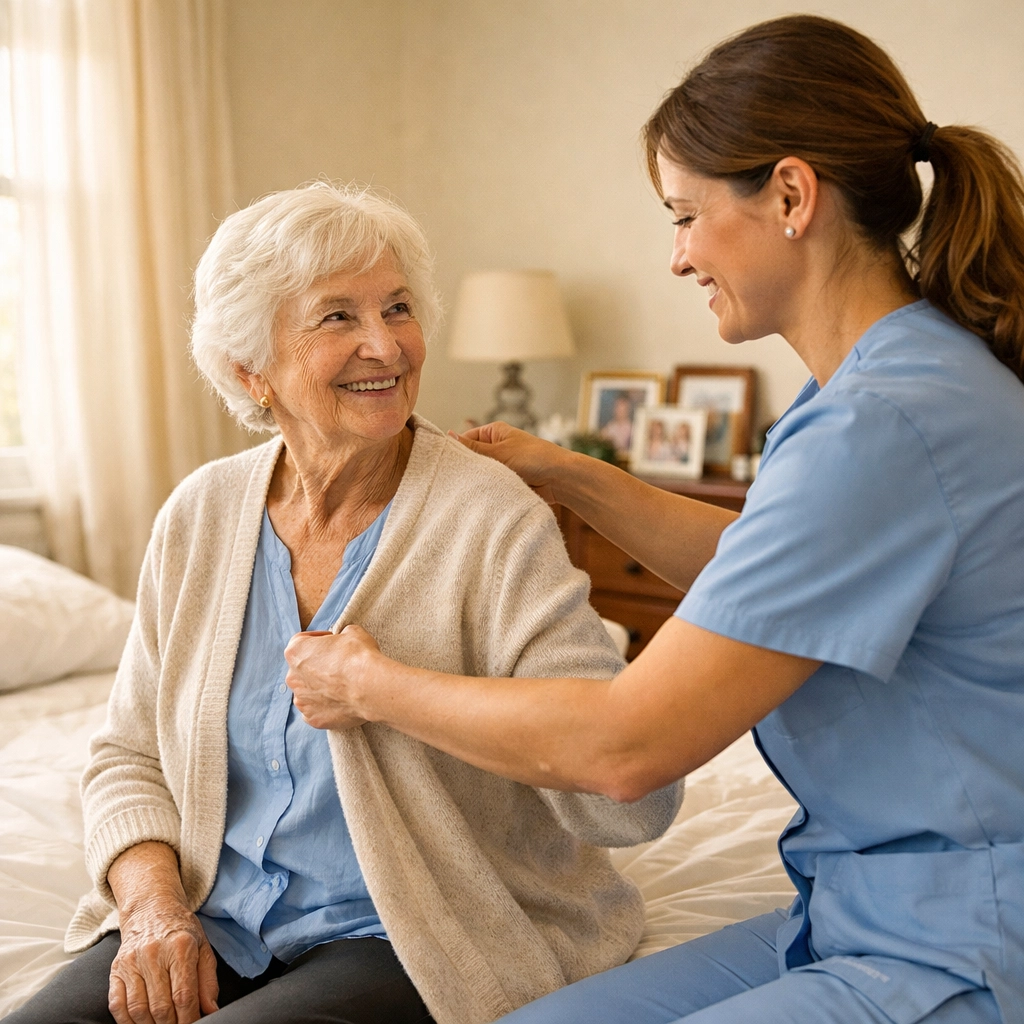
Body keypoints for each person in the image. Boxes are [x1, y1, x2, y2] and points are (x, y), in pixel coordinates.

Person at [283, 16, 1024, 1024]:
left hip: (959, 941)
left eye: (683, 215)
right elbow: (770, 573)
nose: (676, 257)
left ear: (792, 196)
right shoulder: (898, 376)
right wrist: (571, 474)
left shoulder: (880, 423)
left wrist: (367, 682)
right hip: (856, 903)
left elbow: (624, 749)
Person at [7, 184, 681, 1024]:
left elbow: (628, 794)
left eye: (398, 308)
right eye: (337, 318)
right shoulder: (202, 513)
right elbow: (129, 754)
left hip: (410, 928)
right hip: (214, 917)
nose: (385, 346)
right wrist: (153, 909)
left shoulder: (487, 512)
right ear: (251, 370)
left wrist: (392, 692)